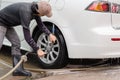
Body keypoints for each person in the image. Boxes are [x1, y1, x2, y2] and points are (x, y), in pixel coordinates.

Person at [0, 1, 56, 76]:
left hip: (7, 24)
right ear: (40, 13)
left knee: (16, 43)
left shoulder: (36, 11)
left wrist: (50, 34)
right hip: (1, 22)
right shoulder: (26, 12)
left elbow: (41, 26)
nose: (43, 16)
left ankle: (17, 70)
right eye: (44, 14)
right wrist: (37, 49)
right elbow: (27, 36)